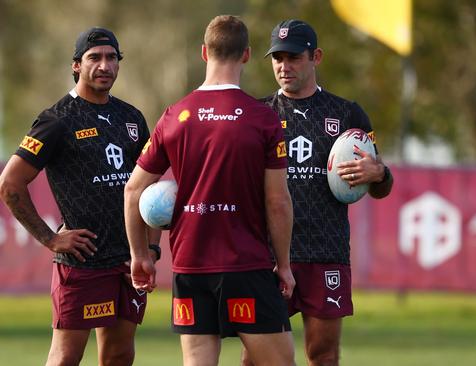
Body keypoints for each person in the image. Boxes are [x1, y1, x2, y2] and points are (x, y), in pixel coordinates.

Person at [123, 15, 296, 366]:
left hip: (190, 268)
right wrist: (285, 265)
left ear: (204, 53)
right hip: (246, 265)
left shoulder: (174, 116)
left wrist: (140, 255)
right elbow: (277, 202)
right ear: (246, 55)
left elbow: (132, 191)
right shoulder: (263, 119)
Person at [0, 27, 158, 365]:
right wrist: (49, 239)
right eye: (94, 58)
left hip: (128, 262)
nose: (104, 66)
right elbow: (10, 183)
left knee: (119, 355)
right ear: (77, 66)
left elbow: (150, 189)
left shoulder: (131, 117)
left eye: (112, 57)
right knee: (65, 358)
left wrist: (149, 249)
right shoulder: (56, 120)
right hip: (83, 263)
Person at [242, 19, 394, 366]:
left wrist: (379, 172)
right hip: (266, 254)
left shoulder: (347, 114)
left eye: (294, 57)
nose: (284, 66)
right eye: (277, 58)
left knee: (323, 355)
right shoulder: (257, 113)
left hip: (326, 251)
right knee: (255, 358)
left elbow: (381, 188)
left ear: (316, 57)